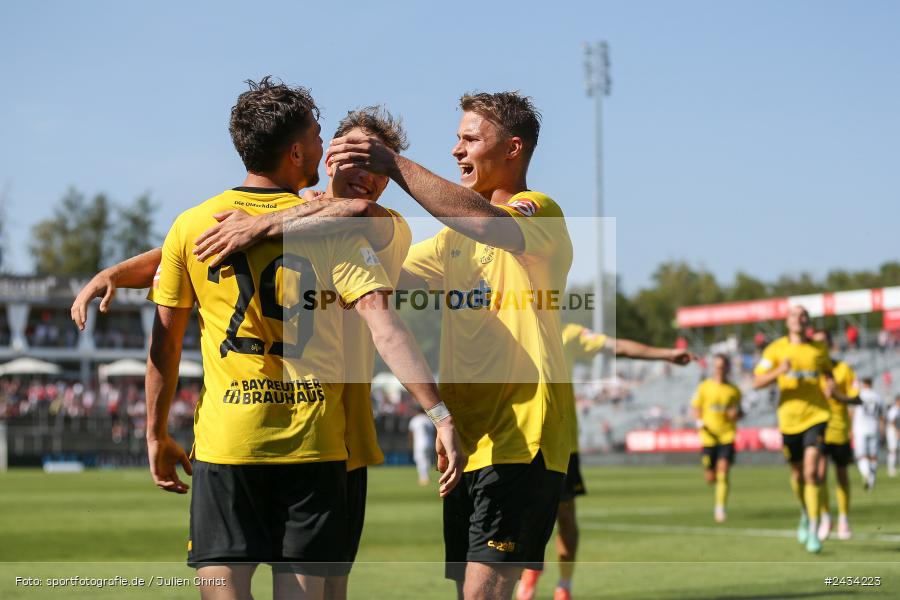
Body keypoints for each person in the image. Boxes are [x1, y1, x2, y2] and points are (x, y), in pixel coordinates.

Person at [71, 104, 437, 600]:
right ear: (327, 157)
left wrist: (258, 225)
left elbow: (352, 213)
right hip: (317, 436)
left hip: (339, 437)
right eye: (357, 160)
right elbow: (196, 246)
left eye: (381, 166)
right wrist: (120, 271)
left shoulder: (381, 223)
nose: (369, 176)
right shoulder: (279, 218)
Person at [328, 91, 573, 600]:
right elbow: (381, 273)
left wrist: (392, 164)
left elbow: (483, 221)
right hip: (467, 442)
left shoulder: (538, 211)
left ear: (512, 148)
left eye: (470, 139)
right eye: (457, 139)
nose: (457, 150)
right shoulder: (449, 241)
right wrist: (323, 209)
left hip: (521, 436)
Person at [518, 323, 694, 600]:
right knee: (525, 519)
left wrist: (665, 354)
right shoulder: (509, 327)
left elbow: (617, 346)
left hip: (563, 446)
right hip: (520, 445)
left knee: (565, 517)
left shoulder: (568, 333)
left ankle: (564, 585)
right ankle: (530, 571)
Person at [754, 305, 834, 554]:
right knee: (798, 475)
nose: (798, 318)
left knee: (811, 471)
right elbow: (757, 381)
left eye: (803, 315)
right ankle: (805, 512)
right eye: (793, 314)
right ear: (787, 321)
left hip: (816, 416)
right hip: (789, 421)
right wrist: (780, 370)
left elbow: (828, 372)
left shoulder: (819, 348)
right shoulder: (775, 349)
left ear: (808, 321)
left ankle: (814, 530)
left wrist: (830, 384)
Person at [811, 330, 860, 541]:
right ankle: (825, 517)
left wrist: (837, 395)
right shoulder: (811, 372)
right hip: (817, 427)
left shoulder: (843, 369)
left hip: (839, 428)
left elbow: (857, 399)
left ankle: (844, 518)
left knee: (841, 474)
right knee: (819, 474)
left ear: (830, 345)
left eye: (823, 342)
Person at [690, 354, 741, 524]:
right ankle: (711, 476)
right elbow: (696, 407)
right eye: (717, 366)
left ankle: (720, 508)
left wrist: (736, 414)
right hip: (708, 437)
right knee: (710, 478)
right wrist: (699, 422)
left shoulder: (734, 390)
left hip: (727, 435)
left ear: (727, 368)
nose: (720, 369)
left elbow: (739, 411)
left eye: (722, 366)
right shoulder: (704, 387)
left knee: (723, 471)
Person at [853, 378, 885, 491]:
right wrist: (882, 432)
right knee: (873, 456)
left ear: (863, 384)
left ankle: (866, 473)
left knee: (861, 456)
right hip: (874, 428)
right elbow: (882, 417)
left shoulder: (858, 395)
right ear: (871, 384)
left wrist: (850, 429)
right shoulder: (878, 397)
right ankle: (871, 481)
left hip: (860, 429)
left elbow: (851, 412)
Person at [409, 406, 437, 485]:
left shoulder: (415, 420)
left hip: (419, 443)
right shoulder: (428, 419)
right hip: (430, 442)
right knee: (427, 460)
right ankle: (426, 476)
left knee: (420, 460)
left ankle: (424, 478)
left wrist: (411, 443)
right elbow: (434, 432)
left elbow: (411, 433)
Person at [886, 395, 900, 478]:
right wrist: (897, 431)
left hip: (896, 431)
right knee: (893, 450)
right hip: (892, 432)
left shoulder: (898, 409)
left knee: (895, 450)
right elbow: (892, 421)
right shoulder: (894, 409)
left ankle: (893, 468)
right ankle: (891, 469)